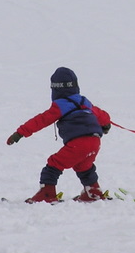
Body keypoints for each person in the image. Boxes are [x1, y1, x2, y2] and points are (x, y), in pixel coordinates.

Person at [7, 67, 111, 203]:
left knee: (54, 164)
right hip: (95, 141)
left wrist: (20, 133)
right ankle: (93, 192)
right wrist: (106, 125)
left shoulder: (60, 105)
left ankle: (47, 194)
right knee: (84, 166)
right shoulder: (84, 102)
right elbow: (103, 116)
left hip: (78, 143)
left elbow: (40, 120)